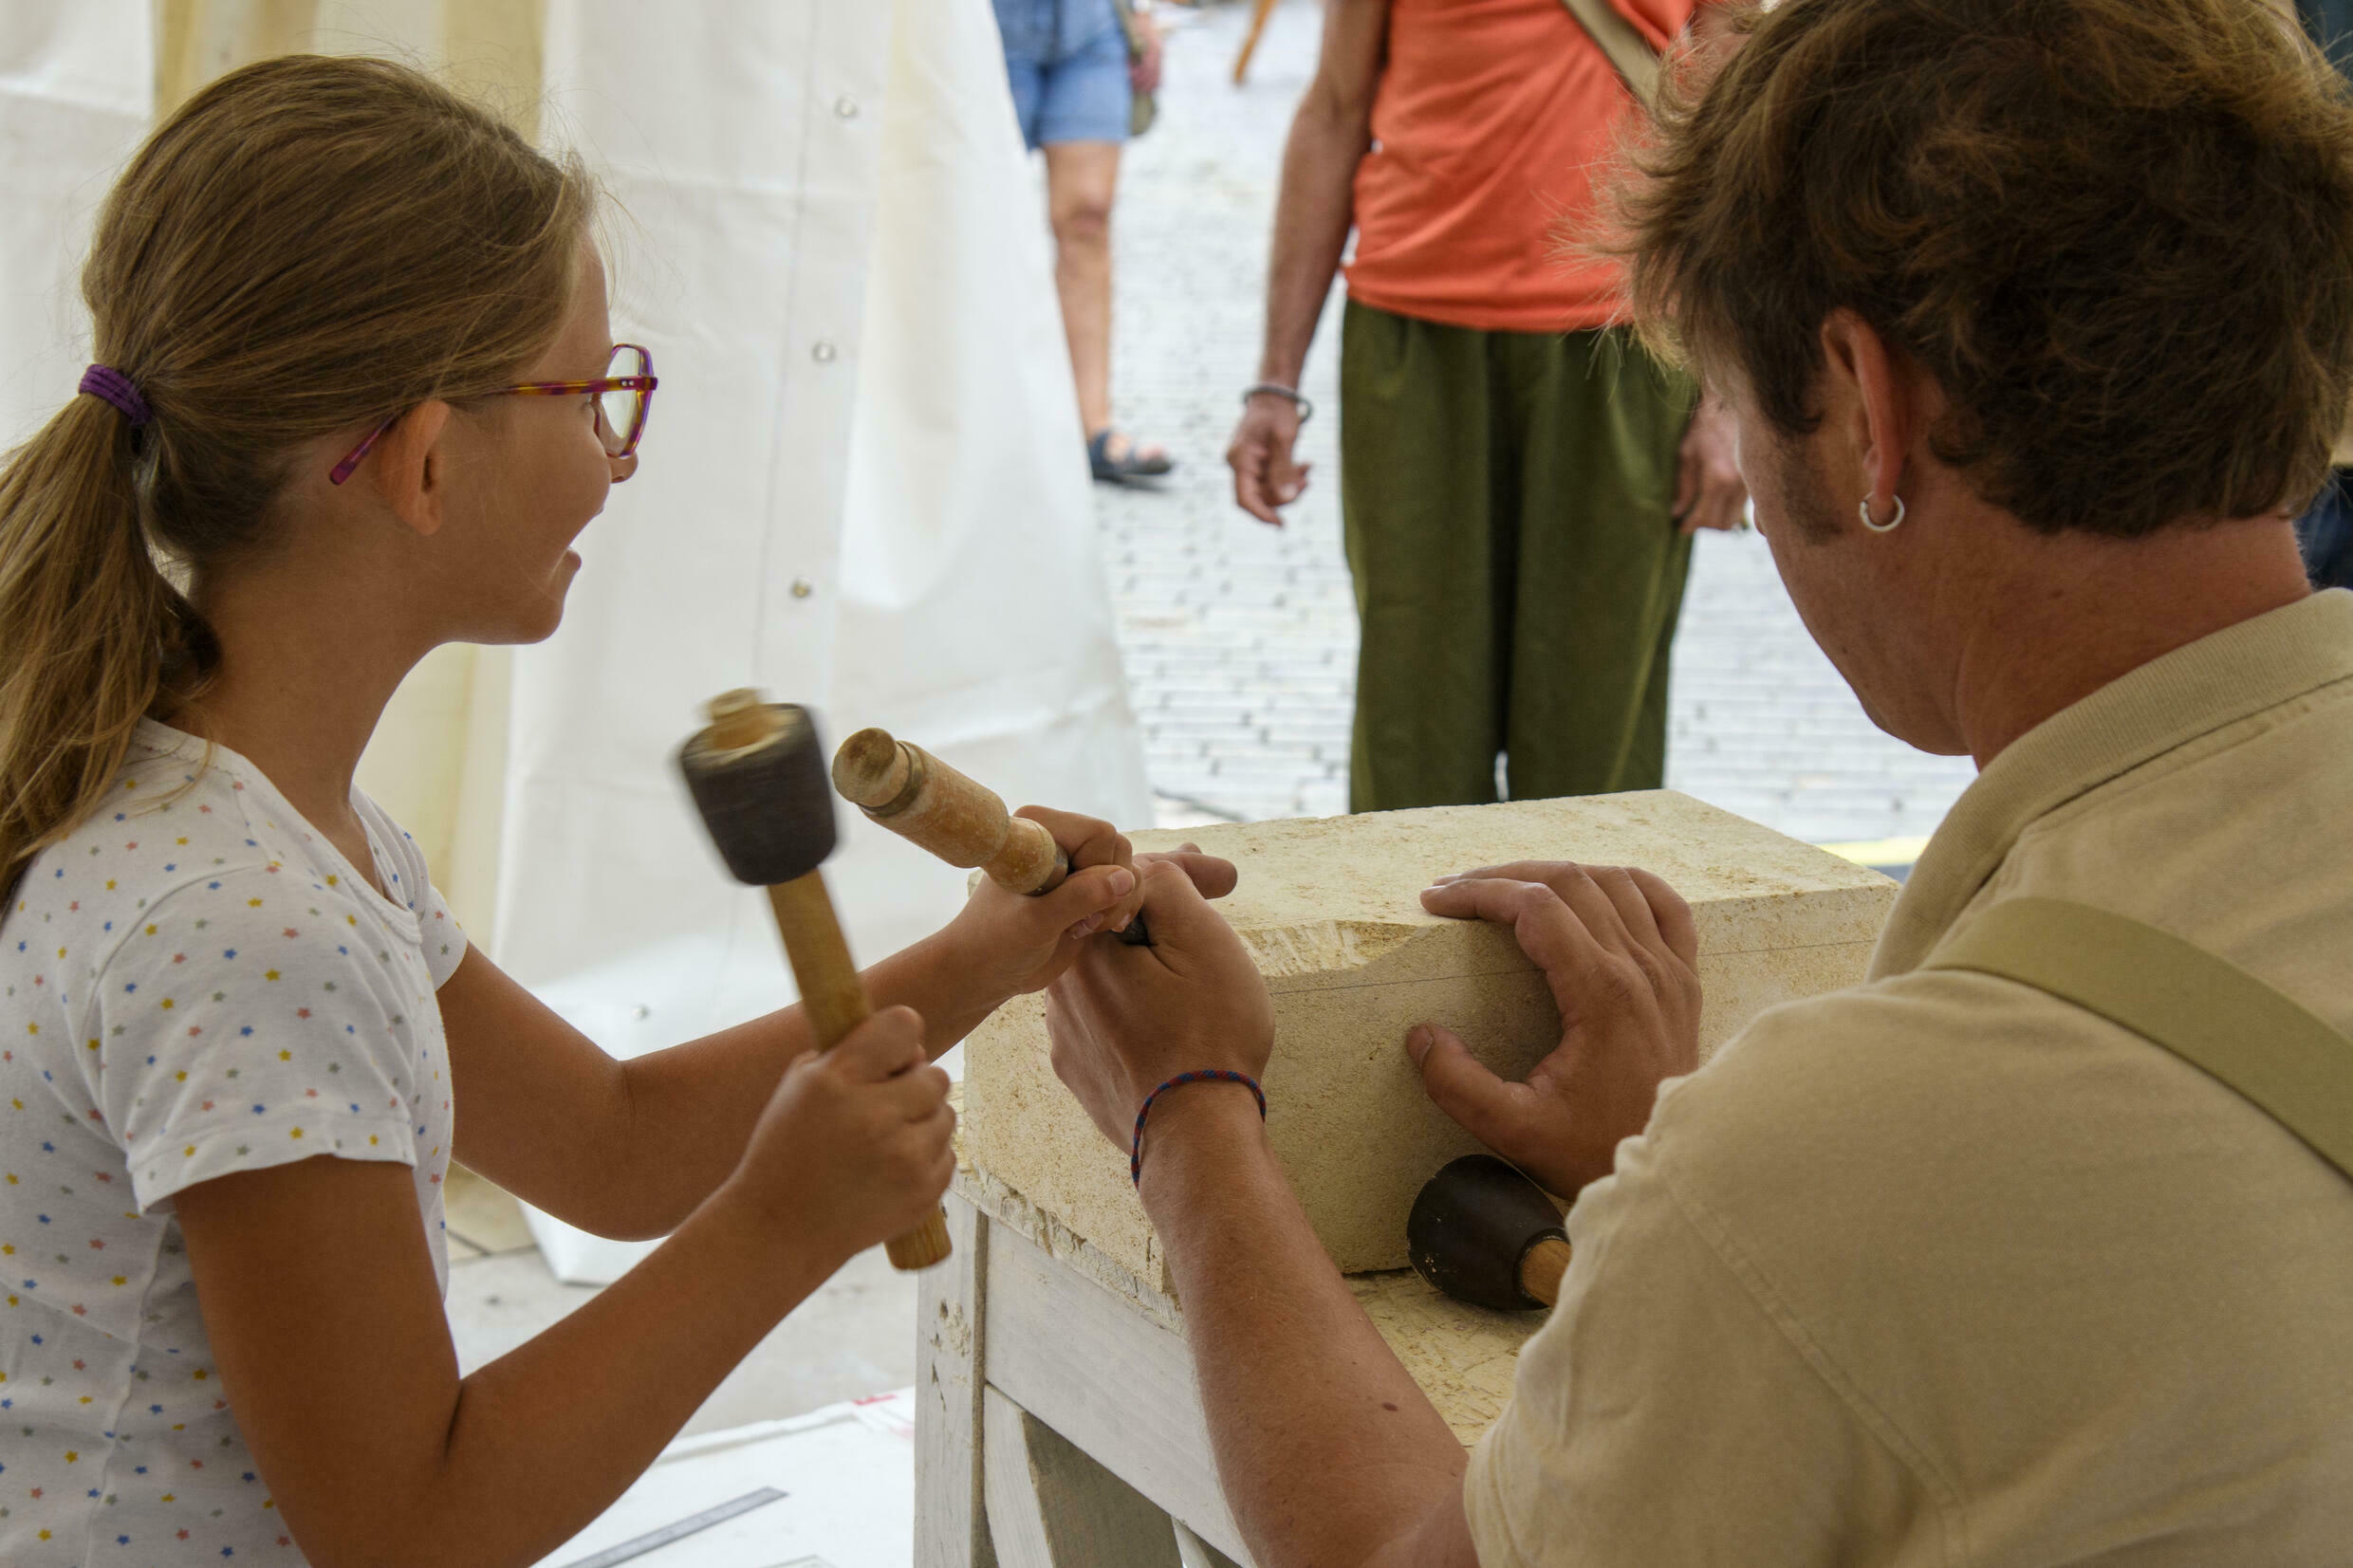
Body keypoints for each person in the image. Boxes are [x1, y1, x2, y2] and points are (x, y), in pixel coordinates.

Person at [1049, 0, 2353, 1562]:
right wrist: (1673, 1198)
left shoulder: (1845, 1154)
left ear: (1867, 413)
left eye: (1734, 393)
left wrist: (1189, 1119)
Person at [0, 55, 1219, 1567]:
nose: (616, 455)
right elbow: (407, 1525)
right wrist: (778, 1229)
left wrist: (986, 954)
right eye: (594, 396)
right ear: (430, 461)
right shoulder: (243, 925)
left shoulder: (265, 819)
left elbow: (612, 1144)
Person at [1225, 0, 1750, 813]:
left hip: (1624, 344)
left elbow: (1733, 132)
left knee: (1595, 740)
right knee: (1414, 726)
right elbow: (1334, 109)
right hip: (1414, 338)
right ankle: (1411, 937)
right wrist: (1275, 382)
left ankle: (1580, 941)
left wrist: (1726, 397)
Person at [992, 0, 1174, 485]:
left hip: (1089, 23)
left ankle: (1091, 426)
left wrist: (1143, 10)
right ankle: (969, 422)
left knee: (1087, 217)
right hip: (977, 25)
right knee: (976, 220)